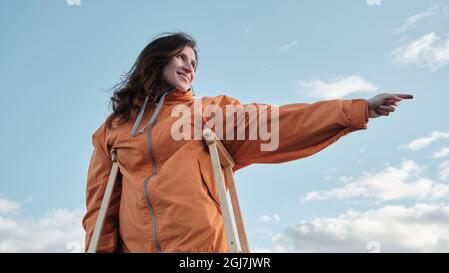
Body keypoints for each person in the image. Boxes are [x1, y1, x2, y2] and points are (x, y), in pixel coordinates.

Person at [82, 32, 414, 253]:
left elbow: (277, 123)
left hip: (201, 250)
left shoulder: (208, 113)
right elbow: (100, 208)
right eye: (181, 58)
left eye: (194, 63)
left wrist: (357, 109)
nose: (189, 67)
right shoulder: (115, 129)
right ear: (157, 59)